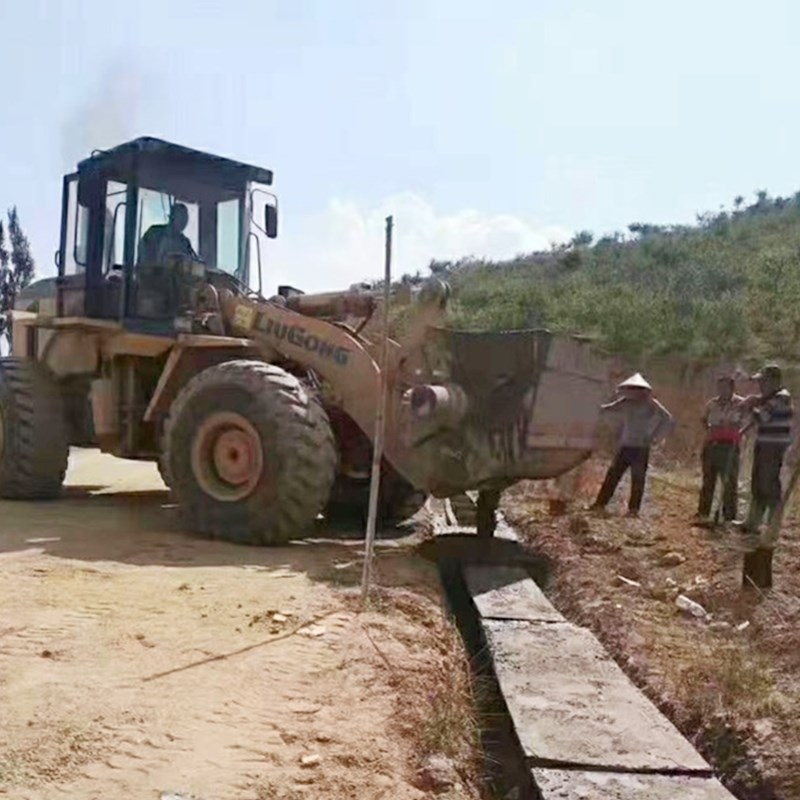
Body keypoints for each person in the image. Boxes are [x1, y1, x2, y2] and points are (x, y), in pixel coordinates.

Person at [588, 373, 673, 517]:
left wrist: (654, 436)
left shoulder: (650, 403)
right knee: (613, 475)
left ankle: (633, 510)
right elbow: (607, 408)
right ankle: (600, 504)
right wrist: (593, 406)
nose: (634, 392)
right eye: (632, 389)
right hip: (625, 445)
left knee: (638, 478)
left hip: (641, 447)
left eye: (637, 389)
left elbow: (667, 418)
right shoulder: (625, 402)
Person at [735, 363, 794, 532]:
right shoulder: (770, 398)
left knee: (769, 485)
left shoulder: (782, 397)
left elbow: (762, 417)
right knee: (758, 483)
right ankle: (752, 523)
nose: (760, 385)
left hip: (773, 446)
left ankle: (772, 525)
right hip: (764, 443)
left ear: (774, 381)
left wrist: (750, 405)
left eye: (763, 381)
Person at [694, 375, 746, 524]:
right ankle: (703, 512)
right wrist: (710, 430)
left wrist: (740, 431)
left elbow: (751, 419)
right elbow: (703, 419)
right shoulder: (712, 404)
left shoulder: (740, 403)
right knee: (708, 480)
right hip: (712, 445)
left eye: (725, 387)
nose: (722, 390)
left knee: (729, 482)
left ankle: (729, 516)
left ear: (732, 388)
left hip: (730, 446)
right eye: (720, 387)